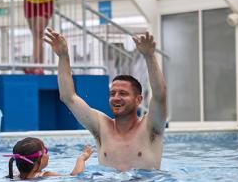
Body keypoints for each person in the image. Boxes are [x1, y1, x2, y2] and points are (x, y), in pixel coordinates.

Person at [43, 27, 167, 171]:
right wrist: (63, 56)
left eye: (123, 93)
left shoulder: (150, 127)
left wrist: (149, 56)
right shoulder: (101, 127)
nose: (116, 98)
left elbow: (160, 95)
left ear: (138, 99)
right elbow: (68, 97)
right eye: (112, 93)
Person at [4, 137, 93, 180]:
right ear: (35, 165)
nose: (47, 154)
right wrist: (81, 158)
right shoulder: (47, 175)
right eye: (45, 151)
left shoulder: (16, 175)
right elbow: (75, 177)